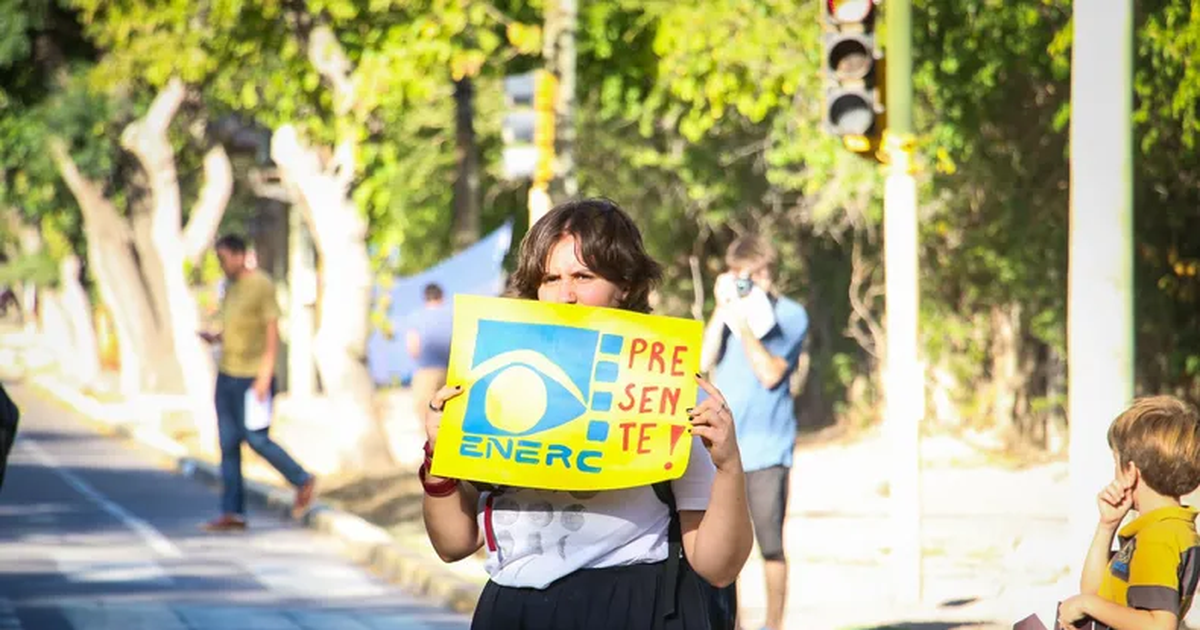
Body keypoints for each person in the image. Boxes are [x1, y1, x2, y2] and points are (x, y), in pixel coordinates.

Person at [421, 198, 754, 630]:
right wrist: (437, 457)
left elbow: (717, 566)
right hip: (512, 611)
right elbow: (453, 544)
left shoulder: (668, 389)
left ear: (628, 286)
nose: (566, 296)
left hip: (633, 610)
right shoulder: (494, 380)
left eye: (584, 276)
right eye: (550, 278)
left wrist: (728, 467)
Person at [699, 235, 808, 630]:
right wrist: (722, 310)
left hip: (767, 450)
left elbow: (769, 373)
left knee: (771, 545)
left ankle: (774, 626)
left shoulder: (790, 316)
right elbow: (702, 359)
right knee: (730, 548)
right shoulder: (728, 317)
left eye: (753, 275)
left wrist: (744, 324)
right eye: (739, 275)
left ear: (767, 273)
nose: (747, 282)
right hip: (725, 450)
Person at [198, 234, 316, 532]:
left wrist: (265, 374)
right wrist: (215, 337)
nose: (222, 265)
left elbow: (272, 330)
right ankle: (232, 512)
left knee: (256, 438)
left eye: (224, 259)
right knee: (227, 443)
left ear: (239, 255)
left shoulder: (260, 284)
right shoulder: (231, 288)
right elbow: (234, 326)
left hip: (253, 378)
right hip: (227, 374)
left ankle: (302, 479)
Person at [1056, 396, 1200, 630]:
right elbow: (1094, 591)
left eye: (1115, 461)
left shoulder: (1159, 538)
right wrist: (1107, 526)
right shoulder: (1166, 527)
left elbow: (1160, 626)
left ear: (1131, 471)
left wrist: (1088, 605)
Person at [407, 283, 452, 420]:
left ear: (425, 297)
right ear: (442, 296)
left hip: (425, 372)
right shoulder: (452, 315)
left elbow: (413, 348)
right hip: (450, 371)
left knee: (426, 416)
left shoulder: (416, 316)